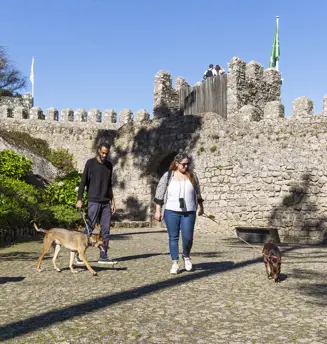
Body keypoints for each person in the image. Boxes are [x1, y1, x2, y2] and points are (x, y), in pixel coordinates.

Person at [153, 152, 204, 274]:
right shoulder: (168, 176)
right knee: (173, 237)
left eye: (188, 164)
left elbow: (198, 192)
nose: (186, 166)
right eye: (183, 164)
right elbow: (159, 194)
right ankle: (175, 262)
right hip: (171, 211)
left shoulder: (192, 176)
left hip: (189, 211)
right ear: (176, 164)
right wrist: (158, 211)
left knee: (188, 237)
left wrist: (201, 207)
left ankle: (186, 256)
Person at [76, 141, 116, 265]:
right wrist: (79, 199)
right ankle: (79, 255)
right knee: (89, 227)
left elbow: (109, 185)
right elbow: (83, 182)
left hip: (105, 202)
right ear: (99, 150)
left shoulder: (109, 165)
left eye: (106, 153)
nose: (104, 155)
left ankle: (103, 256)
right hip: (93, 201)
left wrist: (113, 201)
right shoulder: (90, 163)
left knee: (106, 229)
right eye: (103, 153)